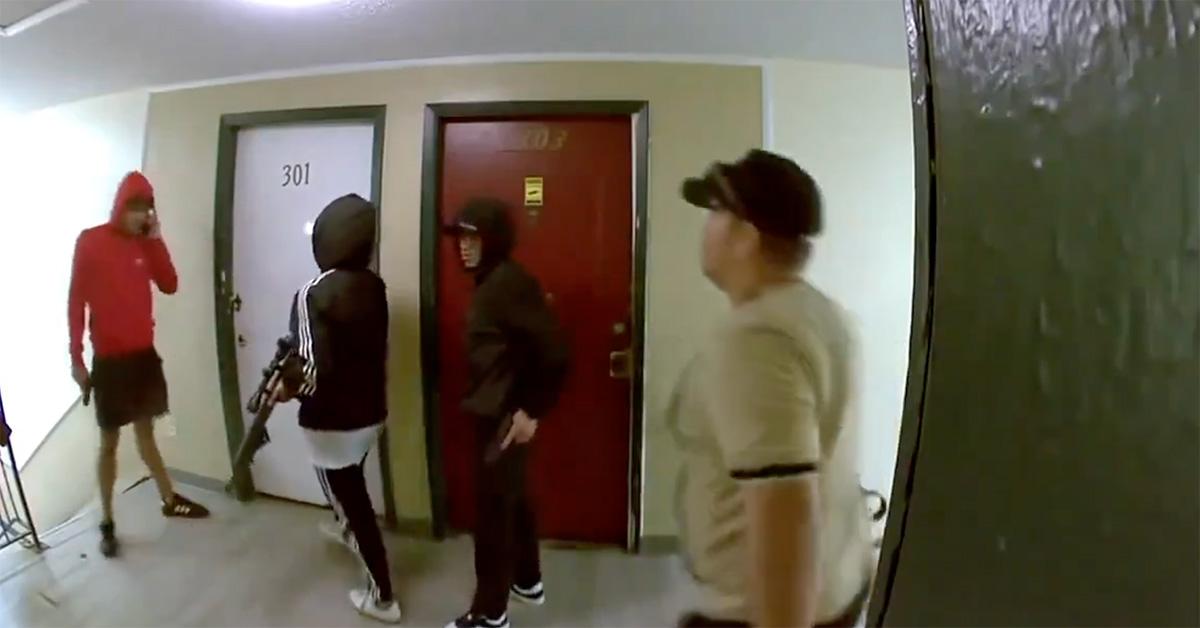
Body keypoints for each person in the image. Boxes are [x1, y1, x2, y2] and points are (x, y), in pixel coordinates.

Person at [669, 150, 875, 628]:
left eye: (716, 212)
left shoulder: (755, 339)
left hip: (759, 612)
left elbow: (787, 515)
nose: (707, 226)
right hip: (833, 590)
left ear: (745, 236)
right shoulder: (823, 315)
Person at [270, 193, 400, 624]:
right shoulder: (375, 285)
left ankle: (382, 596)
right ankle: (345, 524)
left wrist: (285, 392)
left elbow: (310, 366)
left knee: (351, 498)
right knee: (350, 485)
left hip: (330, 421)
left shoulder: (313, 292)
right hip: (372, 414)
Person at [68, 171, 210, 559]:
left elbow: (170, 284)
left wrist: (156, 239)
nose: (140, 215)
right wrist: (76, 358)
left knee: (147, 434)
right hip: (110, 362)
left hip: (142, 358)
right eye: (134, 208)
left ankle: (168, 499)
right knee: (110, 443)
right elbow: (76, 301)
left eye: (146, 209)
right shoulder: (91, 241)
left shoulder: (145, 244)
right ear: (120, 206)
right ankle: (108, 521)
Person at [442, 198, 569, 628]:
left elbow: (554, 352)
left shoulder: (507, 284)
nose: (463, 246)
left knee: (493, 518)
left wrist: (531, 410)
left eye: (473, 237)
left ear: (494, 240)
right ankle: (527, 580)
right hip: (495, 411)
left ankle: (490, 614)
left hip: (503, 416)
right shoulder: (492, 281)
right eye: (460, 238)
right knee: (512, 500)